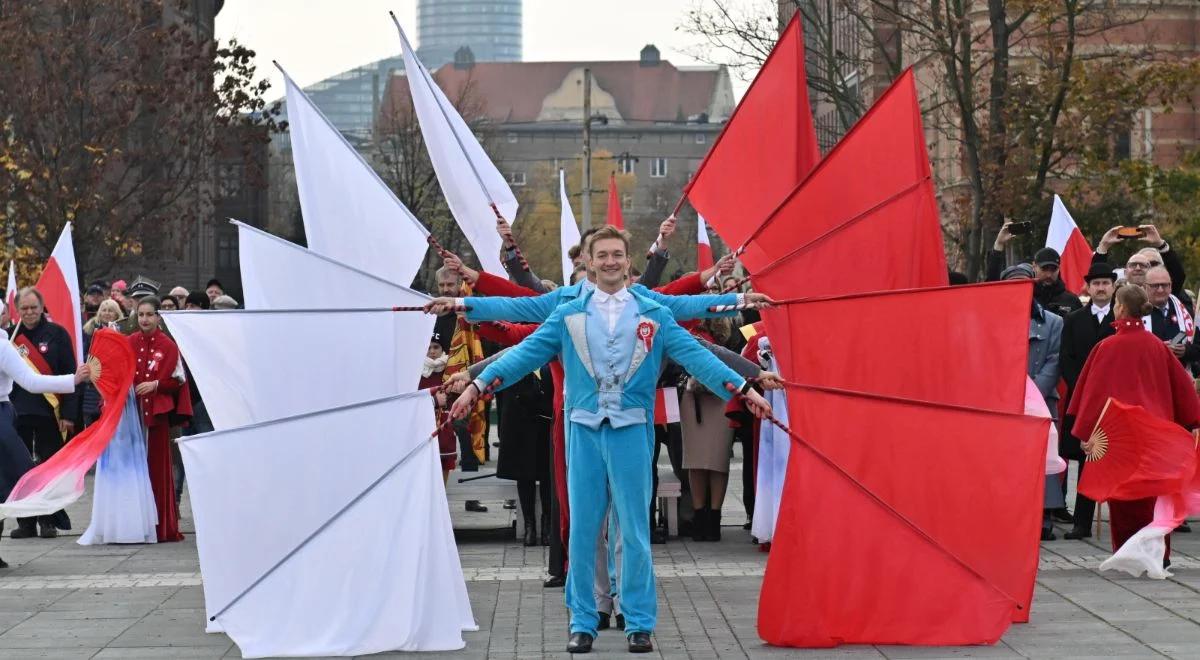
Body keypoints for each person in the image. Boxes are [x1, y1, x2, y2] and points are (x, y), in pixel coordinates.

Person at [449, 226, 772, 654]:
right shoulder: (567, 313)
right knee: (583, 530)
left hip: (631, 431)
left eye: (617, 254)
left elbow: (697, 354)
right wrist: (478, 383)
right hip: (582, 431)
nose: (610, 262)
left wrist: (744, 389)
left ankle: (638, 621)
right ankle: (583, 620)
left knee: (634, 531)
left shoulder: (652, 312)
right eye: (601, 255)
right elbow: (523, 352)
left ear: (627, 259)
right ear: (587, 262)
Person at [1067, 283, 1200, 558]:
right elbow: (1182, 388)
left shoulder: (1107, 347)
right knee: (1153, 493)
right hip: (1155, 432)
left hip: (1120, 434)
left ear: (1122, 308)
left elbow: (1093, 393)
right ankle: (1158, 553)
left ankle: (1126, 552)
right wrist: (1189, 420)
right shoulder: (1156, 345)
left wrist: (1085, 432)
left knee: (1123, 494)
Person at [0, 343, 89, 566]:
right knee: (9, 481)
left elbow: (31, 381)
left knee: (11, 481)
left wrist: (72, 380)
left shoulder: (2, 346)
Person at [1000, 264, 1064, 541]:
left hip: (1041, 399)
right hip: (1003, 401)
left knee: (1042, 458)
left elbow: (1055, 359)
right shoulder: (994, 319)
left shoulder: (1053, 322)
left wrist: (1032, 392)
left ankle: (1044, 514)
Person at [9, 287, 79, 539]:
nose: (29, 313)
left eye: (33, 308)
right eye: (24, 308)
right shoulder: (9, 337)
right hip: (17, 414)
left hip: (51, 412)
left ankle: (48, 520)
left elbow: (71, 373)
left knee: (50, 468)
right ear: (17, 310)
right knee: (21, 469)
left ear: (41, 307)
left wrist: (69, 414)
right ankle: (25, 522)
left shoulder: (57, 334)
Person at [1058, 263, 1117, 539]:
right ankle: (1081, 522)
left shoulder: (1120, 321)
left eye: (1106, 283)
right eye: (1097, 284)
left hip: (1113, 403)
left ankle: (1122, 521)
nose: (1101, 288)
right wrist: (1081, 388)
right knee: (1083, 458)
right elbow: (1066, 358)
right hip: (1081, 402)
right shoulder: (1074, 320)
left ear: (1113, 286)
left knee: (1116, 459)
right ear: (1089, 288)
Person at [129, 297, 191, 542]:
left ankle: (160, 526)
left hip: (158, 417)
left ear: (158, 317)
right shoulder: (128, 342)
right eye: (141, 314)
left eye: (149, 314)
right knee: (133, 471)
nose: (144, 319)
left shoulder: (169, 346)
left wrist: (156, 385)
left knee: (158, 470)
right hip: (131, 416)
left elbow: (178, 381)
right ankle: (134, 524)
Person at [681, 314, 737, 542]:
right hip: (694, 399)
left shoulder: (730, 339)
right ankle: (702, 516)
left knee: (717, 460)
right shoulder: (689, 334)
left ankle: (712, 519)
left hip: (720, 398)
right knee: (697, 461)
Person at [1142, 266, 1197, 368]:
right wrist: (1158, 349)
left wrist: (1186, 350)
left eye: (1164, 285)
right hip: (1149, 375)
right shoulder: (1136, 312)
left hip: (1180, 375)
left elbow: (1197, 346)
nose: (1160, 290)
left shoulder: (1185, 310)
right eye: (1155, 286)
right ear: (1145, 287)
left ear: (1170, 286)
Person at [81, 300, 124, 428]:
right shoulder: (89, 330)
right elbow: (83, 355)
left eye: (110, 310)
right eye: (104, 310)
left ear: (117, 314)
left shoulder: (122, 331)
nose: (107, 313)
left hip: (113, 385)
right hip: (93, 385)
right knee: (92, 426)